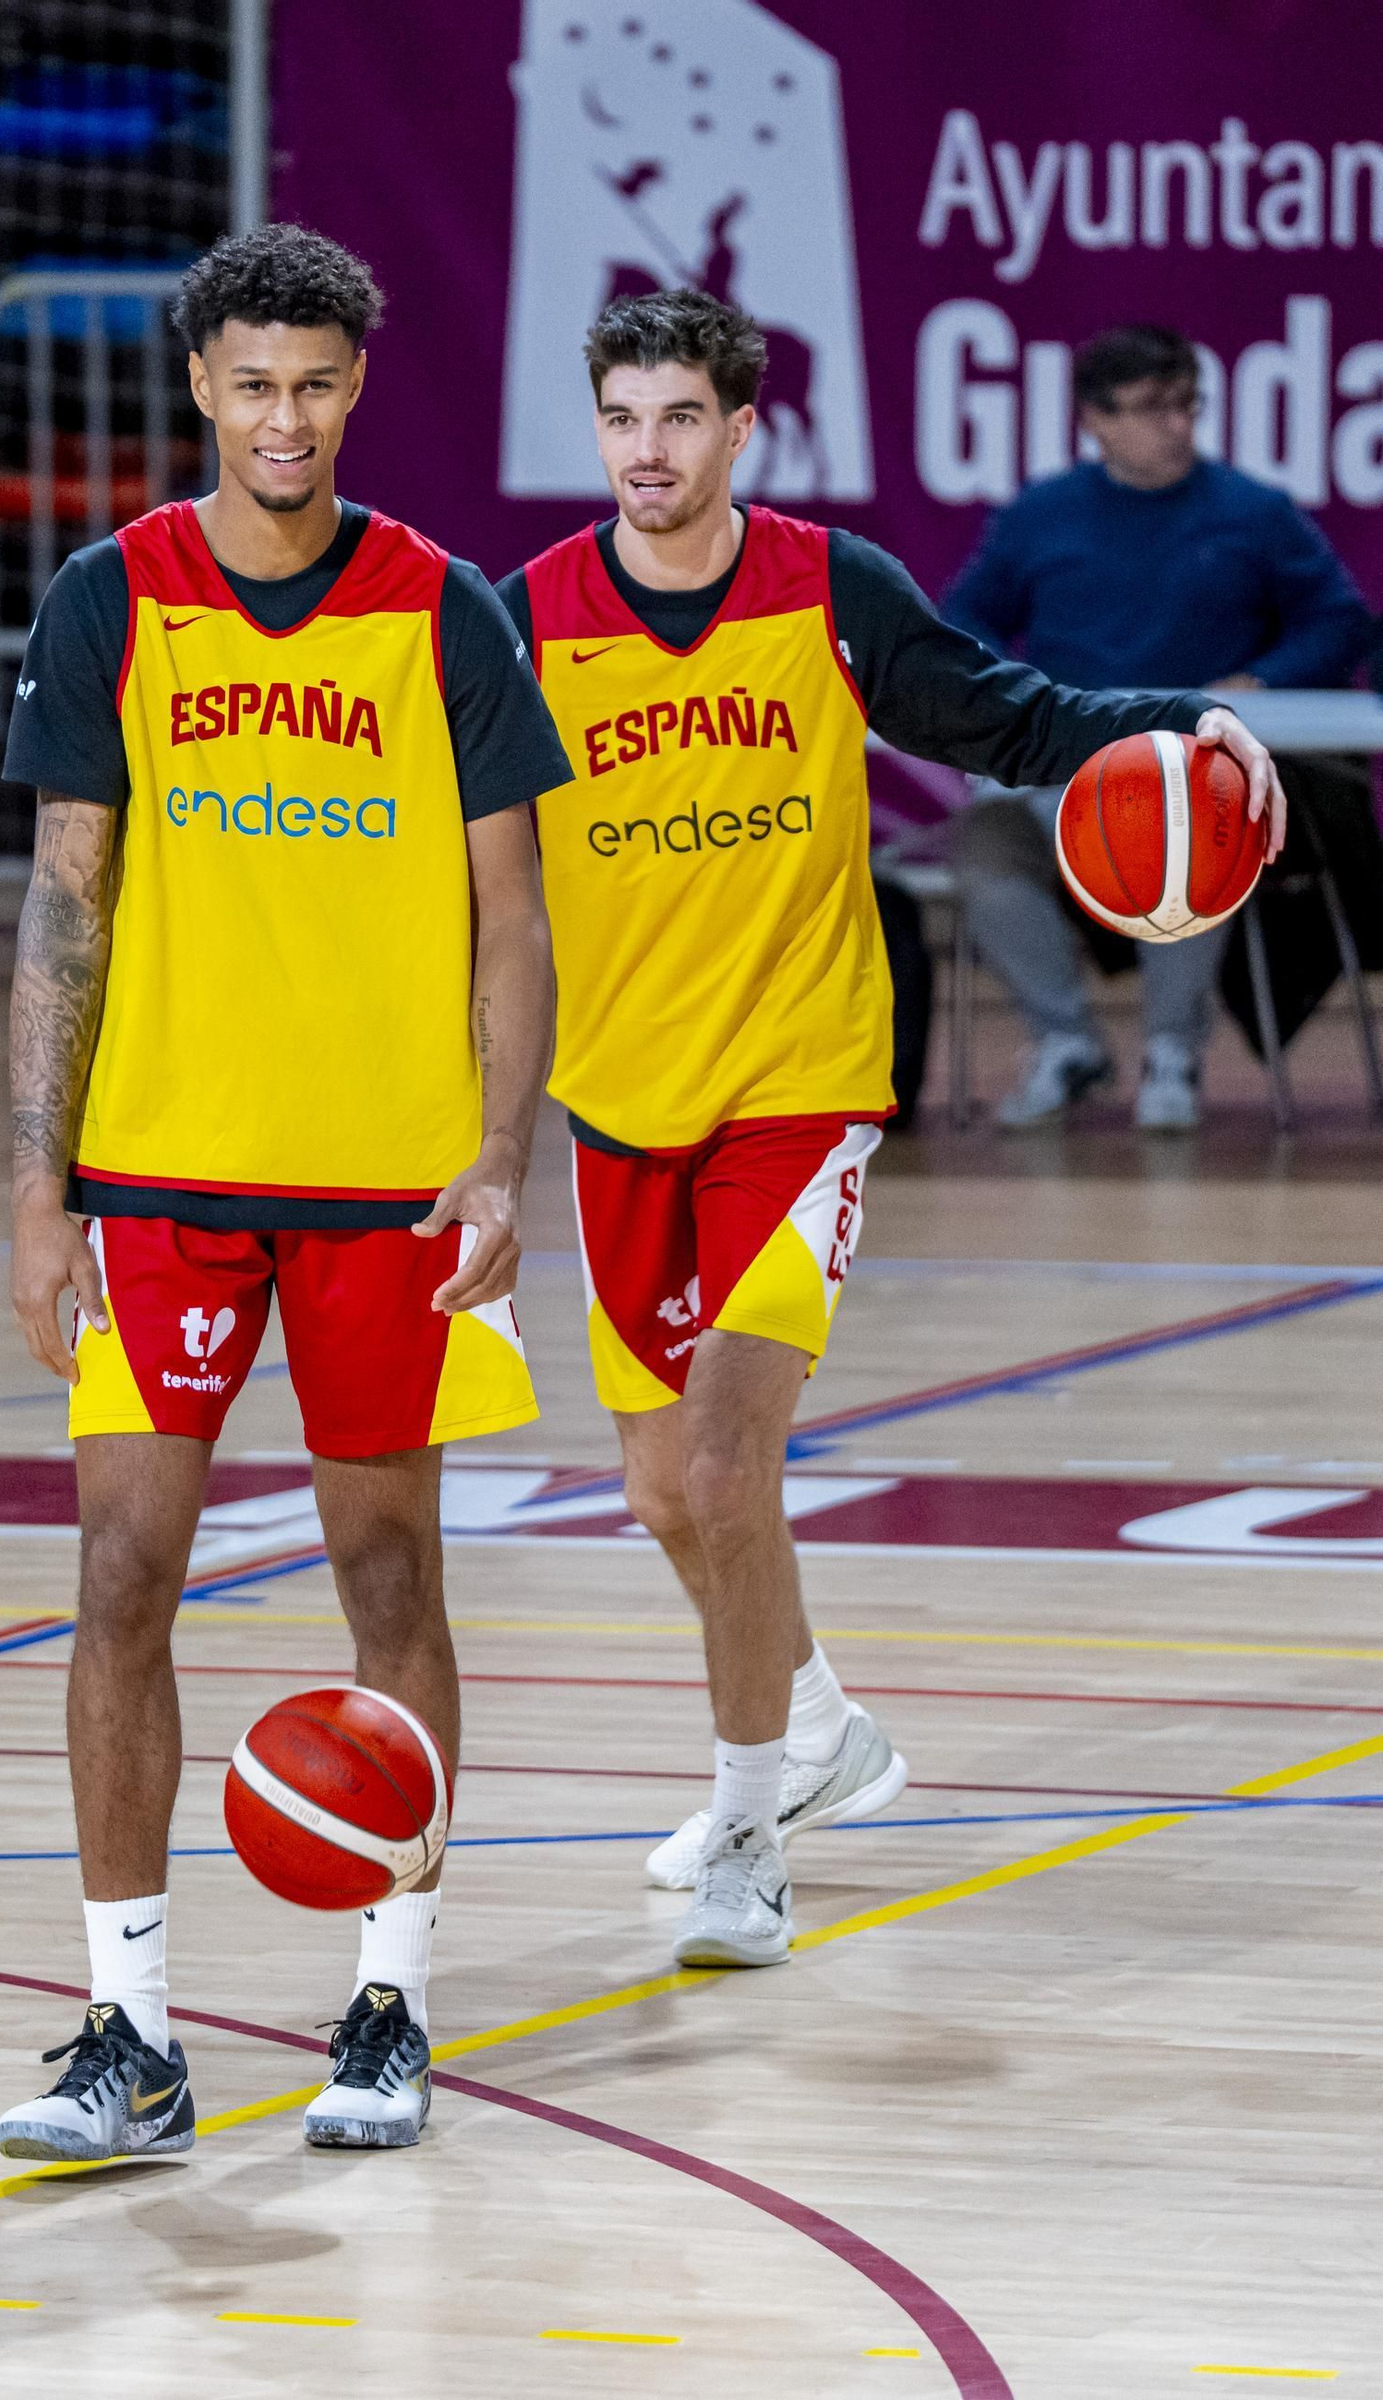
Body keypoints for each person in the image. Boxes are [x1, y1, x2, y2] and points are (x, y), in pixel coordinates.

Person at [497, 289, 1284, 1970]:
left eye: (681, 420)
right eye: (624, 420)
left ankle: (746, 1836)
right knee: (654, 1491)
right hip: (622, 1103)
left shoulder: (827, 587)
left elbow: (1005, 715)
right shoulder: (523, 622)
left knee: (724, 1461)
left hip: (800, 1084)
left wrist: (1172, 723)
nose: (650, 452)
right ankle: (823, 1728)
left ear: (740, 432)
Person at [0, 223, 568, 2161]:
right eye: (251, 384)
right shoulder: (111, 599)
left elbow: (512, 919)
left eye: (316, 383)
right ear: (199, 393)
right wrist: (33, 1185)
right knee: (117, 1576)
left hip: (382, 1189)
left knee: (388, 1578)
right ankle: (126, 2036)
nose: (284, 417)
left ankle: (389, 2001)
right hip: (158, 1173)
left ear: (353, 389)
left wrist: (499, 1149)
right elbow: (65, 899)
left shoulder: (437, 609)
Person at [946, 322, 1371, 1131]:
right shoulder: (1041, 516)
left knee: (1174, 831)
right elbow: (967, 617)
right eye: (1152, 407)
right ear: (1095, 420)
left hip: (1196, 771)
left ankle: (1173, 1052)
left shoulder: (1255, 513)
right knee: (984, 844)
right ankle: (1068, 1043)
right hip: (1064, 764)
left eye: (1188, 404)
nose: (1179, 424)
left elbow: (1339, 620)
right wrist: (1011, 686)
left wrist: (1267, 679)